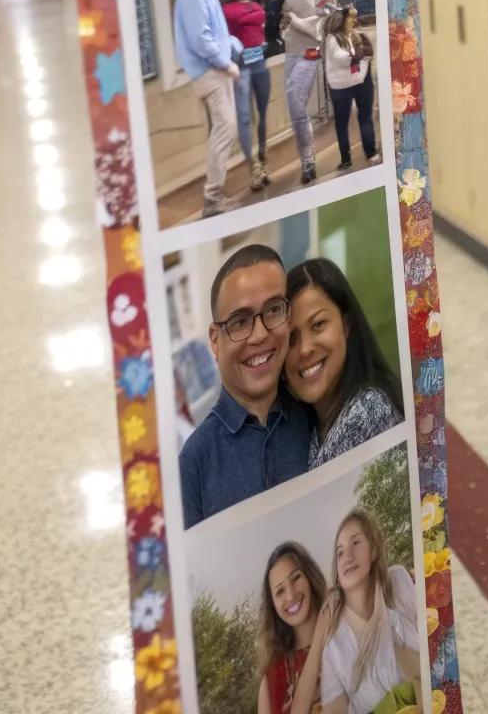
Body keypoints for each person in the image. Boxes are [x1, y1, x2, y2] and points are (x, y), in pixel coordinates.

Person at [179, 244, 311, 527]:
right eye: (240, 322)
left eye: (274, 310)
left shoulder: (314, 417)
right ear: (215, 340)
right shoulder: (194, 461)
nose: (260, 334)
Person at [285, 258, 403, 469]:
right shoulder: (309, 427)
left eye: (318, 325)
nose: (304, 349)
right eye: (290, 339)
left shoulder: (366, 413)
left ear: (346, 325)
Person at [320, 511, 420, 714]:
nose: (347, 556)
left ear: (373, 550)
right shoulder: (334, 648)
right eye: (340, 552)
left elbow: (433, 645)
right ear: (337, 574)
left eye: (355, 543)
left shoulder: (398, 581)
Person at [173, 0, 240, 218]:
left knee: (226, 128)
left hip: (216, 70)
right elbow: (201, 41)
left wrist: (233, 46)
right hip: (211, 72)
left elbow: (213, 33)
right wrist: (225, 63)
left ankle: (214, 195)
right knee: (226, 128)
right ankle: (212, 198)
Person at [281, 0, 337, 185]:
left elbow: (321, 28)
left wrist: (294, 20)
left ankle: (309, 160)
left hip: (310, 54)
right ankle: (307, 159)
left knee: (295, 97)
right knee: (295, 109)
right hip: (291, 53)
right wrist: (286, 23)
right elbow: (285, 16)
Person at [257, 542, 331, 714]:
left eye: (296, 578)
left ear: (310, 577)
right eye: (280, 591)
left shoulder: (343, 638)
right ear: (273, 605)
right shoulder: (271, 679)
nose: (290, 595)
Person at [223, 0, 271, 192]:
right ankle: (253, 169)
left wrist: (250, 17)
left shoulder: (256, 5)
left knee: (262, 113)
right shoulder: (226, 10)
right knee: (244, 117)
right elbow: (235, 30)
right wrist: (252, 17)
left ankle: (263, 161)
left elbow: (258, 21)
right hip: (240, 67)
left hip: (260, 64)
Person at [322, 6, 380, 171]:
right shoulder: (333, 39)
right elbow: (338, 57)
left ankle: (371, 153)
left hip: (360, 82)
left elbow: (366, 55)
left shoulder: (357, 37)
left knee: (365, 118)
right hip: (341, 87)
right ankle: (346, 158)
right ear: (341, 19)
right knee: (342, 123)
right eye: (351, 17)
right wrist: (357, 57)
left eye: (356, 17)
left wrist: (363, 57)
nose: (354, 20)